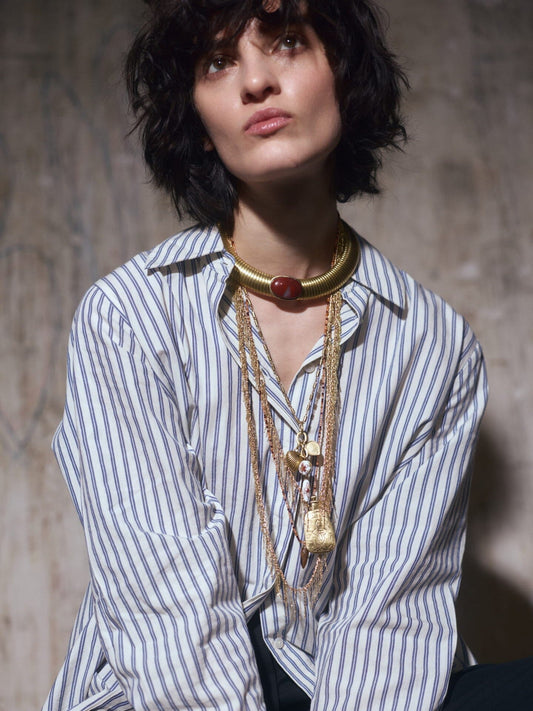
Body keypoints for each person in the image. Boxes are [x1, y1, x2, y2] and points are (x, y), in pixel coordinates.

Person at [41, 1, 532, 710]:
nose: (255, 82)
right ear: (198, 122)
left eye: (288, 43)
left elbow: (390, 616)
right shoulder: (131, 316)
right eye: (218, 62)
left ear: (345, 77)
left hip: (344, 685)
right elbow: (166, 609)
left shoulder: (433, 343)